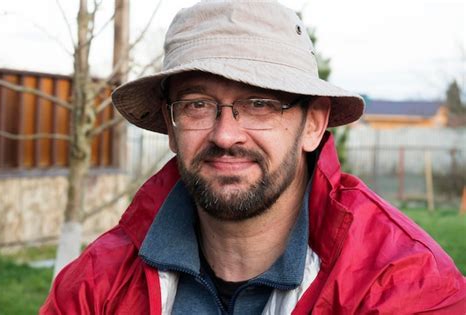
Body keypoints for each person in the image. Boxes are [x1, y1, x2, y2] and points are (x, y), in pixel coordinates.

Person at [41, 1, 466, 314]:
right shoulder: (96, 285)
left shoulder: (400, 282)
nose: (225, 135)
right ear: (170, 127)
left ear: (313, 124)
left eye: (260, 103)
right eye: (197, 104)